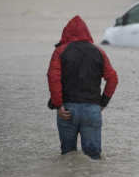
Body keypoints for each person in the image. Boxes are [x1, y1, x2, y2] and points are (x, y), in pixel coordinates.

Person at [47, 15, 118, 160]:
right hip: (92, 109)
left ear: (66, 33)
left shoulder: (60, 51)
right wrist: (103, 102)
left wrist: (58, 105)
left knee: (67, 157)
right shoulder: (99, 51)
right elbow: (113, 79)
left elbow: (53, 79)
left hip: (66, 110)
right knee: (93, 159)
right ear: (87, 33)